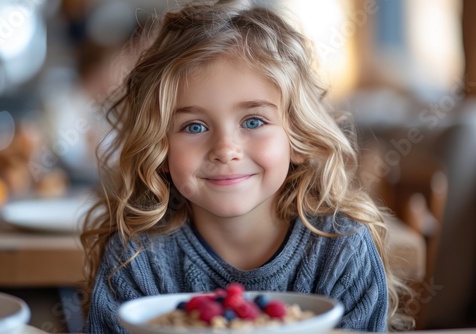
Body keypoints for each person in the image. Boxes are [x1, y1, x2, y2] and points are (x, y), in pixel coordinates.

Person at [81, 0, 413, 332]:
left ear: (297, 136)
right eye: (194, 127)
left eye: (253, 121)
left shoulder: (341, 250)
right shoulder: (136, 260)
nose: (225, 150)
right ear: (160, 149)